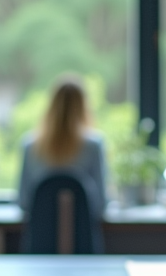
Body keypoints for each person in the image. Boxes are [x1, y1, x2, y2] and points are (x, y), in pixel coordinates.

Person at [18, 76, 107, 220]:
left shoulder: (30, 145)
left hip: (41, 239)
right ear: (84, 106)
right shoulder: (94, 145)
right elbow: (100, 205)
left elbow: (24, 202)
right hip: (83, 239)